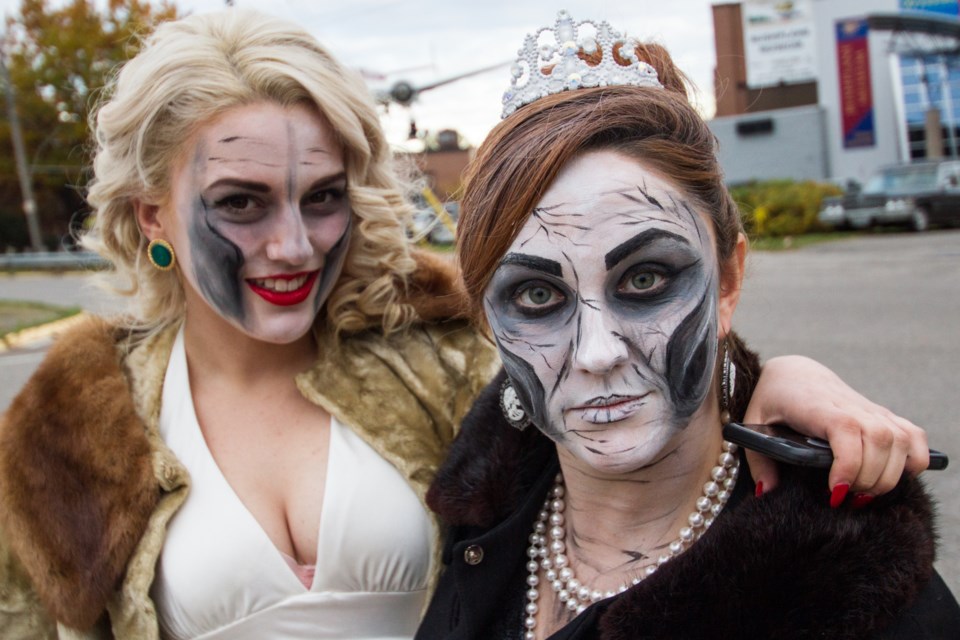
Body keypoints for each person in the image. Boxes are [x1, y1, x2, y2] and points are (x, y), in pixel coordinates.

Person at [0, 9, 935, 640]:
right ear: (151, 215)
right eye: (239, 204)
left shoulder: (440, 352)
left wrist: (779, 379)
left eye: (323, 197)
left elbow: (630, 372)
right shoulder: (67, 427)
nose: (290, 244)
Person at [416, 11, 960, 640]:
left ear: (728, 280)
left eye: (644, 280)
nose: (596, 352)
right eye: (538, 294)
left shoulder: (846, 589)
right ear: (485, 313)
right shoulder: (478, 506)